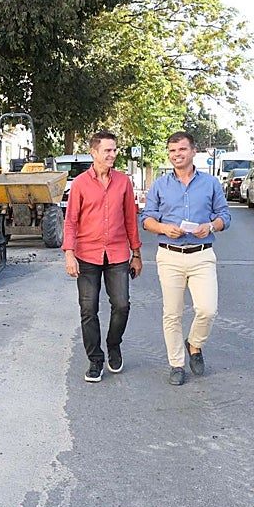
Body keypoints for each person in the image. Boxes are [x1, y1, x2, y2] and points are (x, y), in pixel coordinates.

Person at [141, 131, 231, 386]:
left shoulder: (210, 183)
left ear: (193, 152)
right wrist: (163, 228)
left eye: (181, 149)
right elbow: (146, 219)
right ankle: (177, 364)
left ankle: (194, 343)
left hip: (202, 254)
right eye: (172, 151)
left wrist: (210, 226)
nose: (176, 155)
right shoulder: (160, 185)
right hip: (170, 255)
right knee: (172, 313)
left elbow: (225, 216)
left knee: (207, 309)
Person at [63, 131, 143, 382]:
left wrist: (136, 253)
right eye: (107, 150)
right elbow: (70, 221)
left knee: (122, 304)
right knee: (88, 309)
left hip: (117, 253)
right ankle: (95, 360)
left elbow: (130, 219)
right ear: (94, 153)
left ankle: (113, 344)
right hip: (87, 255)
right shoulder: (80, 184)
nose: (112, 154)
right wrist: (69, 254)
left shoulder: (123, 182)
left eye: (114, 150)